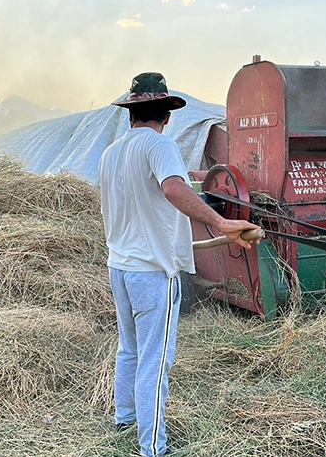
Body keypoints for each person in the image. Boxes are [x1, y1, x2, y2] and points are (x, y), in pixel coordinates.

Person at [99, 72, 260, 457]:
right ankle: (153, 447)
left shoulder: (110, 154)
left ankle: (125, 418)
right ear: (167, 116)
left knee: (130, 349)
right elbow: (172, 188)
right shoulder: (160, 147)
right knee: (155, 361)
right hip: (152, 272)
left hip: (119, 267)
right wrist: (221, 222)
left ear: (131, 114)